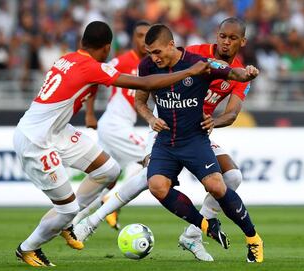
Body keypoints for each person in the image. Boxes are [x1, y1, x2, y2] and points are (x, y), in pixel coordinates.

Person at [13, 21, 210, 267]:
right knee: (66, 209)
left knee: (109, 171)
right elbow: (146, 84)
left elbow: (86, 84)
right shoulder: (91, 67)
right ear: (107, 48)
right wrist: (189, 72)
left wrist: (88, 114)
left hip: (57, 131)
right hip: (36, 140)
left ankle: (68, 224)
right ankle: (28, 248)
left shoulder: (68, 58)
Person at [75, 23, 264, 263]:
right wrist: (152, 118)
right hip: (163, 127)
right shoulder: (195, 53)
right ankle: (91, 223)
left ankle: (193, 235)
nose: (226, 41)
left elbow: (232, 112)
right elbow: (144, 94)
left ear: (242, 42)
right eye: (222, 36)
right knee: (151, 179)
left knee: (232, 177)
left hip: (197, 130)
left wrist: (214, 122)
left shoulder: (227, 71)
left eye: (232, 38)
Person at [72, 21, 151, 230]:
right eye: (140, 35)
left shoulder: (152, 64)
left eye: (147, 36)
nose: (144, 41)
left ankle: (71, 221)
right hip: (115, 125)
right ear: (133, 38)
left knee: (105, 178)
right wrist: (89, 113)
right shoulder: (124, 61)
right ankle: (111, 201)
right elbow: (94, 76)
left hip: (118, 127)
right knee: (152, 160)